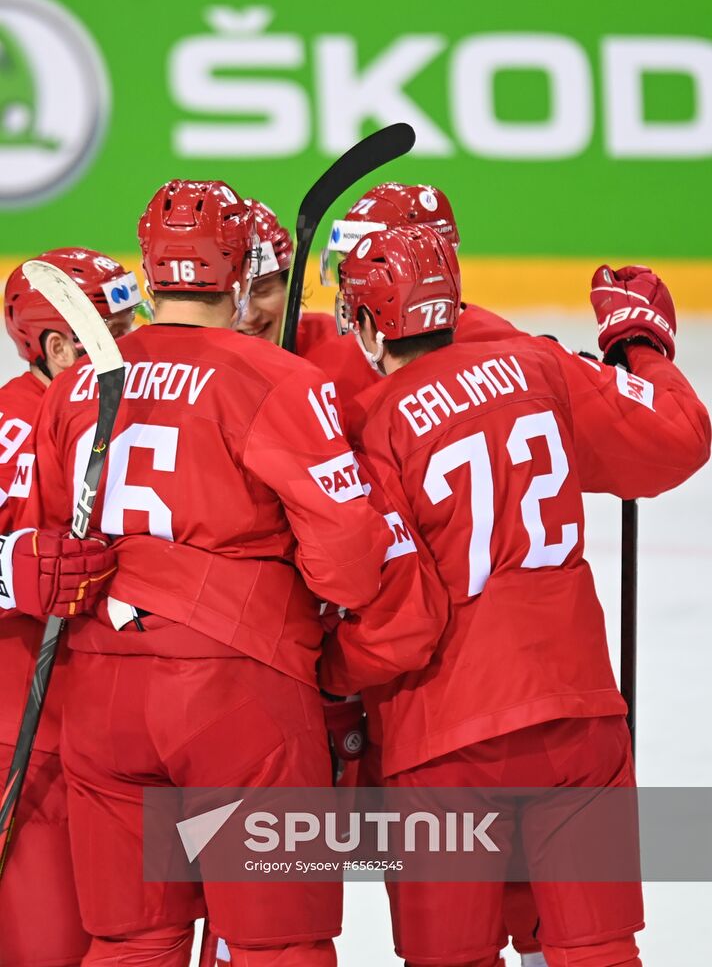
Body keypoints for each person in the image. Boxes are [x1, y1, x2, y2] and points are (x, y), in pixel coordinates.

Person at [19, 179, 402, 967]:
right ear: (238, 268)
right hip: (238, 696)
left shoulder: (78, 386)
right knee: (277, 941)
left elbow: (57, 542)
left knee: (130, 940)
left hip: (102, 701)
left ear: (149, 272)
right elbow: (351, 564)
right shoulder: (274, 378)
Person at [320, 225, 711, 967]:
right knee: (598, 947)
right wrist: (641, 346)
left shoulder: (369, 430)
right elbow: (676, 440)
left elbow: (399, 625)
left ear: (369, 323)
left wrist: (324, 669)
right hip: (581, 716)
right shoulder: (539, 363)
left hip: (446, 737)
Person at [239, 186, 547, 962]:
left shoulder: (379, 349)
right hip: (316, 678)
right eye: (238, 286)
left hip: (418, 673)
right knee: (270, 882)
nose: (251, 304)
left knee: (490, 890)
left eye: (268, 285)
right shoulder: (268, 356)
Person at [0, 248, 140, 967]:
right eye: (113, 328)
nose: (133, 342)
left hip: (124, 739)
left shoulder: (148, 407)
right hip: (27, 747)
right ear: (58, 347)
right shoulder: (6, 425)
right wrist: (8, 572)